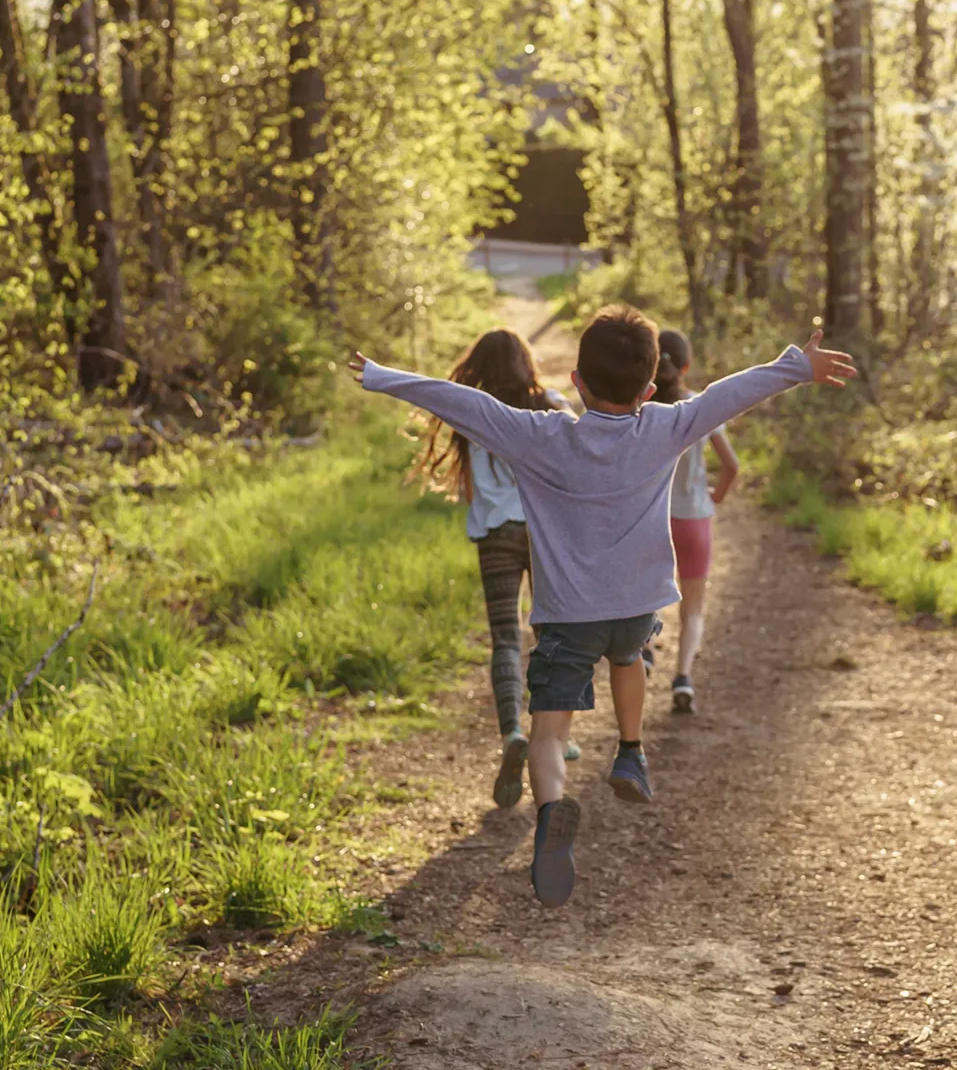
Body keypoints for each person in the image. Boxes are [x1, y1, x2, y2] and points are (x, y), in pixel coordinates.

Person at [349, 308, 855, 908]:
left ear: (577, 382)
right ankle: (632, 751)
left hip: (567, 615)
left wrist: (383, 375)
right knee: (631, 656)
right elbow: (729, 395)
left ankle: (552, 811)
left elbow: (462, 404)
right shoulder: (666, 426)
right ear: (648, 388)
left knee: (549, 730)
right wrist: (796, 366)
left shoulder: (541, 435)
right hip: (635, 607)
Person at [408, 329, 570, 811]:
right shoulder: (550, 403)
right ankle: (552, 735)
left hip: (496, 535)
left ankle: (513, 733)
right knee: (552, 633)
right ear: (526, 362)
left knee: (505, 637)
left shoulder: (472, 410)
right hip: (543, 535)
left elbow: (469, 483)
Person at [654, 330, 738, 715]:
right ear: (685, 366)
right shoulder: (698, 407)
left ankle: (642, 651)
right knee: (694, 606)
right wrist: (713, 498)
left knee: (646, 594)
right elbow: (731, 466)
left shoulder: (643, 409)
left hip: (652, 518)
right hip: (693, 518)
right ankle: (683, 676)